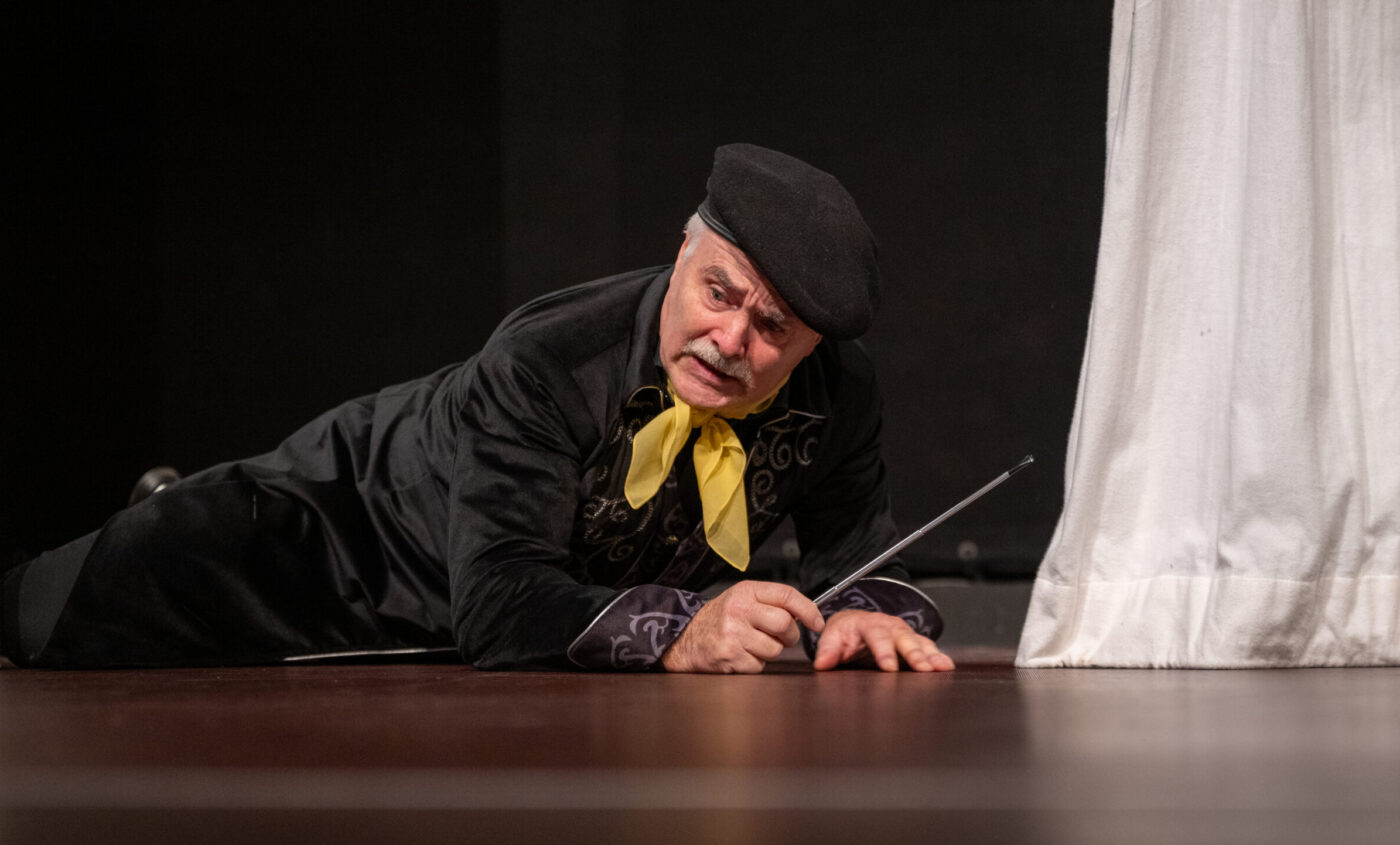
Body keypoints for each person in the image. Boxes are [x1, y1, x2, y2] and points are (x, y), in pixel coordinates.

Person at [0, 144, 951, 674]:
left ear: (813, 347)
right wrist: (685, 628)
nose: (731, 339)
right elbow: (499, 603)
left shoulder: (839, 394)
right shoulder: (552, 357)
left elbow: (858, 559)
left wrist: (863, 615)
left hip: (432, 645)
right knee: (69, 604)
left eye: (773, 327)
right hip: (321, 539)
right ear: (682, 252)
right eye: (717, 293)